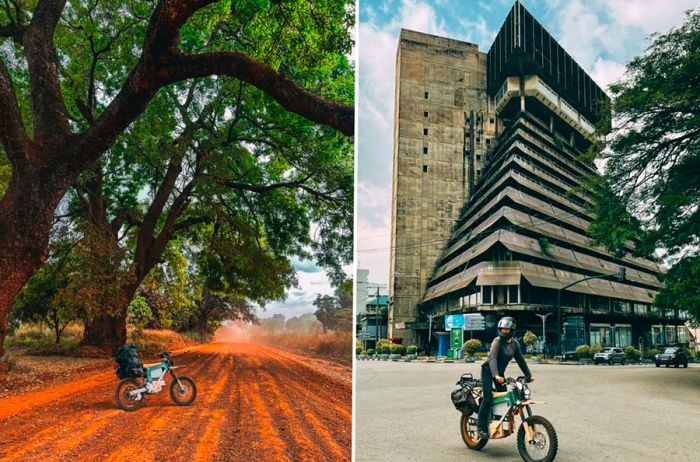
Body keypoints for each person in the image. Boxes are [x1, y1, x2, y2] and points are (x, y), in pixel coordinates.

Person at [476, 316, 533, 440]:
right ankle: (481, 427)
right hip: (488, 371)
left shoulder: (515, 344)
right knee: (488, 398)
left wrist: (528, 375)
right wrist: (495, 375)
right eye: (502, 329)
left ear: (512, 331)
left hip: (499, 374)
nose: (504, 331)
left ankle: (496, 421)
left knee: (504, 399)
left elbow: (521, 361)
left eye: (507, 330)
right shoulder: (497, 341)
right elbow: (492, 359)